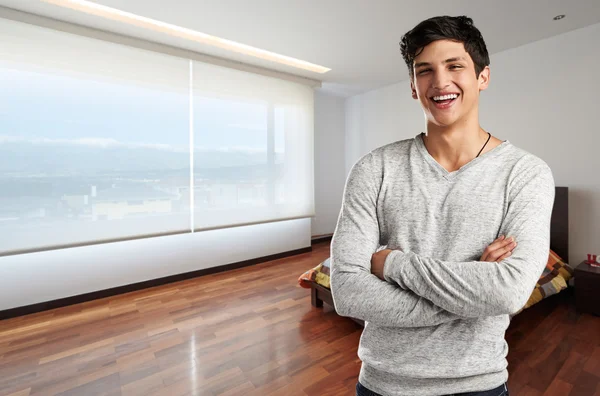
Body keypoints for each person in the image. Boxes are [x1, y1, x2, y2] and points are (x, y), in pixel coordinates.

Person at [329, 15, 555, 396]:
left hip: (479, 385)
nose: (440, 82)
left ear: (482, 77)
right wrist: (473, 289)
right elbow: (348, 292)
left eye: (455, 66)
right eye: (425, 70)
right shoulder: (374, 168)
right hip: (383, 384)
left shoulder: (525, 173)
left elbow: (509, 293)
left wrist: (393, 264)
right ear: (414, 87)